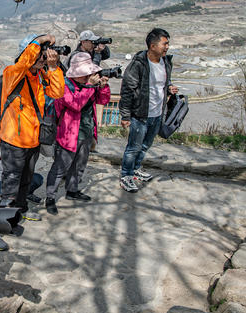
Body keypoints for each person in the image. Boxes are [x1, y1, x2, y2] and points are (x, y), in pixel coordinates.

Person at [0, 33, 65, 222]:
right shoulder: (12, 73)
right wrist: (41, 40)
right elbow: (25, 60)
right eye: (39, 53)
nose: (41, 58)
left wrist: (53, 67)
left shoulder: (41, 76)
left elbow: (58, 92)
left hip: (33, 140)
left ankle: (21, 210)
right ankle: (5, 220)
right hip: (14, 141)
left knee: (25, 181)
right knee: (11, 181)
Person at [45, 52, 110, 215]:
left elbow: (103, 100)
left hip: (86, 132)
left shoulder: (89, 85)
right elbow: (76, 104)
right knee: (60, 167)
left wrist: (102, 87)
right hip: (68, 134)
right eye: (84, 74)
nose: (87, 76)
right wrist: (89, 87)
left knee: (79, 165)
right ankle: (50, 197)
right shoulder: (64, 86)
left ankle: (72, 190)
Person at [119, 28, 179, 192]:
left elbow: (162, 85)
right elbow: (127, 90)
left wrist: (169, 88)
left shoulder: (165, 62)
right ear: (152, 45)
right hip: (140, 115)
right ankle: (126, 176)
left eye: (167, 43)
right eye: (164, 43)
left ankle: (136, 169)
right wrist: (125, 115)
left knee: (145, 146)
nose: (167, 47)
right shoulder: (138, 64)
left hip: (157, 113)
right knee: (133, 148)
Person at [0, 130, 43, 204]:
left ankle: (26, 194)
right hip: (3, 178)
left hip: (19, 176)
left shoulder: (30, 135)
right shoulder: (3, 135)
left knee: (37, 179)